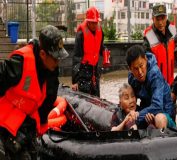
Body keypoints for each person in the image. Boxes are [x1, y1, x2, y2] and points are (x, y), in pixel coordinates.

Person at [0, 25, 68, 160]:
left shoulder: (52, 72)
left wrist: (42, 128)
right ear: (43, 54)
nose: (58, 62)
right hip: (4, 124)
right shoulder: (20, 62)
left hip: (26, 126)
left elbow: (48, 101)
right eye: (55, 58)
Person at [126, 45, 176, 129]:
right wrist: (130, 112)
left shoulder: (155, 74)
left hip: (163, 113)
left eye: (141, 66)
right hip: (147, 112)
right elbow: (132, 101)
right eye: (135, 69)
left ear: (146, 59)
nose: (140, 72)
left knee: (159, 118)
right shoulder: (131, 78)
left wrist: (137, 115)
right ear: (130, 69)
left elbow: (157, 106)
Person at [72, 6, 106, 97]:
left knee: (96, 97)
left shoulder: (100, 31)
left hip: (95, 69)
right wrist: (75, 81)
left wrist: (105, 51)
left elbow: (101, 46)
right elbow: (76, 57)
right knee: (85, 98)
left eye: (96, 22)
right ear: (88, 21)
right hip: (84, 70)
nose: (95, 25)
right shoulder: (81, 35)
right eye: (92, 23)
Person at [143, 3, 176, 85]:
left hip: (171, 83)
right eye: (158, 19)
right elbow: (147, 63)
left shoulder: (172, 30)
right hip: (157, 85)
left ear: (166, 17)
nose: (161, 22)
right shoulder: (149, 36)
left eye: (163, 18)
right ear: (153, 19)